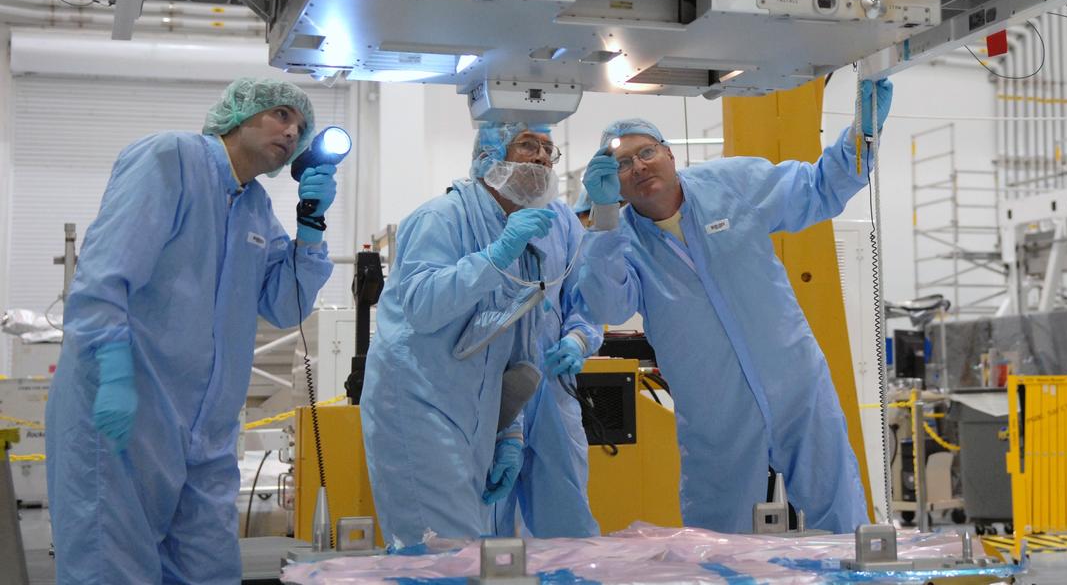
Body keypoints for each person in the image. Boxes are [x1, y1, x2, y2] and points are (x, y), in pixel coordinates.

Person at [45, 77, 338, 584]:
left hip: (208, 434)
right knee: (113, 568)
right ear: (238, 116)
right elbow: (104, 277)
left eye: (300, 125)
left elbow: (286, 305)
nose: (292, 132)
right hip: (128, 414)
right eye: (280, 115)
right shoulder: (170, 159)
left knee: (208, 570)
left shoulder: (255, 207)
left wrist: (311, 225)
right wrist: (113, 372)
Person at [575, 79, 893, 534]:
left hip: (795, 382)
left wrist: (862, 132)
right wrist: (602, 220)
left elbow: (819, 187)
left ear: (670, 154)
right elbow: (606, 300)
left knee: (839, 515)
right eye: (622, 164)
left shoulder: (731, 185)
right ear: (613, 183)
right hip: (713, 409)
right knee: (717, 540)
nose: (639, 167)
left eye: (646, 152)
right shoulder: (619, 240)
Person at [361, 121, 588, 545]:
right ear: (489, 156)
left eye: (548, 149)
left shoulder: (520, 232)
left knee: (470, 553)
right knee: (440, 552)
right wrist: (496, 256)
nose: (541, 156)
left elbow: (510, 348)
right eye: (527, 145)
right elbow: (424, 307)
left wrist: (509, 432)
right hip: (419, 404)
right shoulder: (440, 218)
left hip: (474, 415)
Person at [494, 267, 602, 538]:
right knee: (485, 531)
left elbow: (586, 298)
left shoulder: (565, 229)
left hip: (553, 390)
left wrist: (577, 339)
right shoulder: (478, 227)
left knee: (567, 531)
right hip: (491, 390)